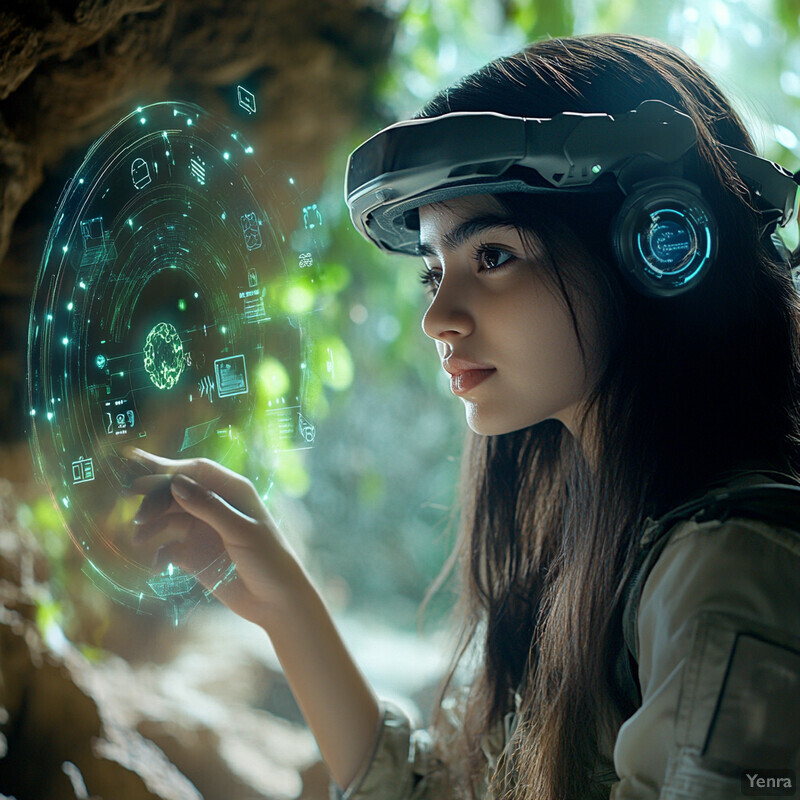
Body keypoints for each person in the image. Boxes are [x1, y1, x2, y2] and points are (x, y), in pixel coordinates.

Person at [127, 33, 800, 800]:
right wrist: (283, 602)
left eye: (493, 257)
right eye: (433, 271)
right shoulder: (601, 531)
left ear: (659, 245)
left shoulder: (729, 570)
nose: (437, 317)